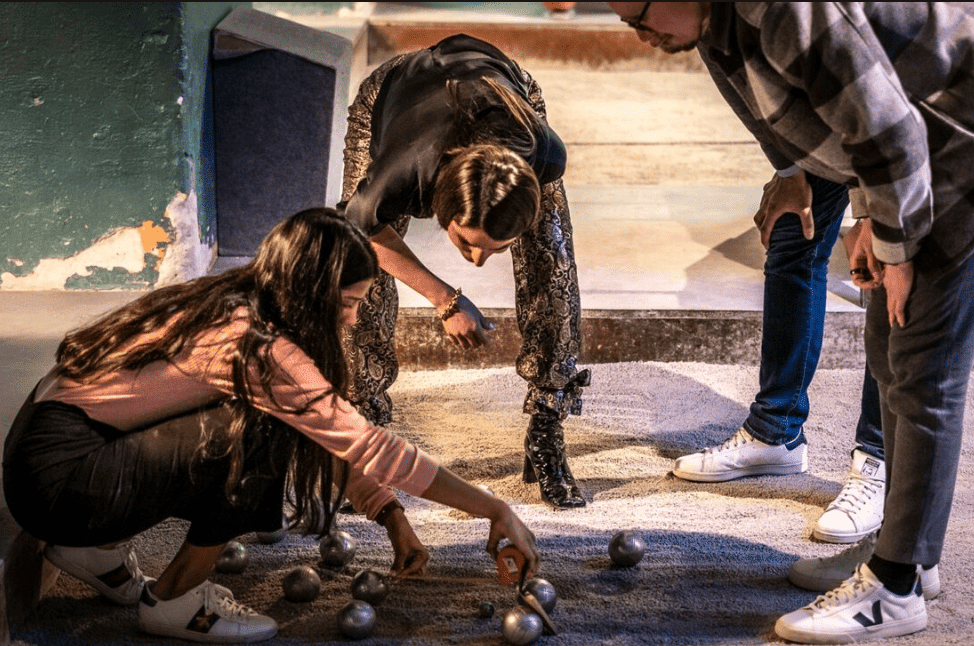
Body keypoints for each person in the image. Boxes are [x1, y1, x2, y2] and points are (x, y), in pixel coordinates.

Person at [608, 2, 974, 643]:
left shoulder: (782, 9)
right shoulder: (716, 24)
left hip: (955, 149)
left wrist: (899, 247)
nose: (635, 30)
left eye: (636, 11)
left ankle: (897, 589)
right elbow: (854, 117)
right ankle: (911, 557)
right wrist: (869, 215)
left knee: (923, 365)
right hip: (919, 146)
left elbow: (889, 133)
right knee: (889, 353)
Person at [2, 208, 540, 643]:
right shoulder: (260, 347)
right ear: (311, 291)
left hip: (49, 455)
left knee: (275, 420)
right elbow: (366, 444)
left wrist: (390, 515)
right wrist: (495, 508)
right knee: (255, 436)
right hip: (58, 478)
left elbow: (325, 429)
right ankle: (174, 603)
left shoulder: (245, 298)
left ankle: (91, 549)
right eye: (348, 303)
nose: (351, 319)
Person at [340, 33, 590, 509]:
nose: (475, 262)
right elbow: (361, 230)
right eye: (466, 243)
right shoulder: (406, 168)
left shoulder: (543, 155)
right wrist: (445, 299)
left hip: (510, 94)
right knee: (357, 270)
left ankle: (546, 424)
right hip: (394, 94)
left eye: (494, 250)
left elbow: (542, 244)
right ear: (440, 208)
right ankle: (361, 429)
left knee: (551, 257)